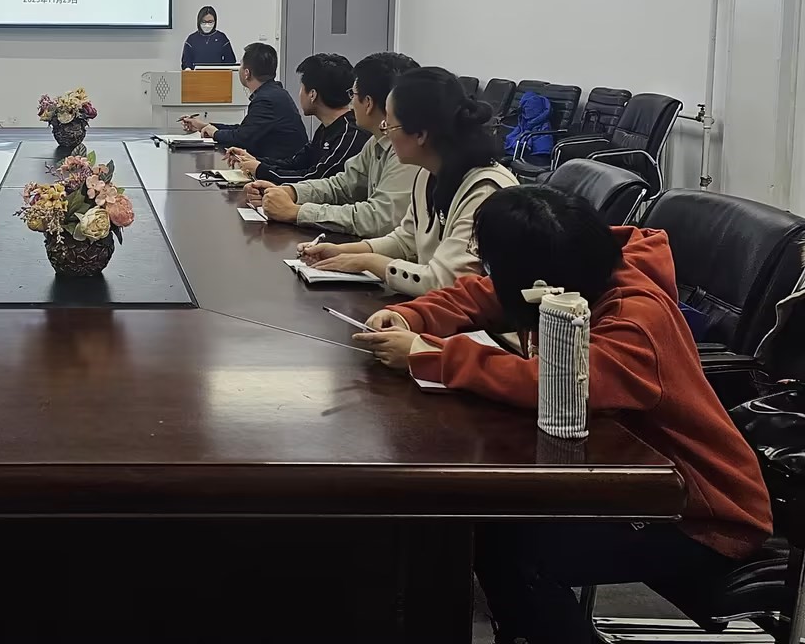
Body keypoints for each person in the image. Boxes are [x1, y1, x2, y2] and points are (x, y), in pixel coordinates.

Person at [352, 186, 773, 644]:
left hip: (701, 515)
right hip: (631, 484)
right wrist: (412, 317)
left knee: (517, 553)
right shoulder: (574, 270)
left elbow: (554, 383)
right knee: (485, 529)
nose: (490, 275)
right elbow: (484, 295)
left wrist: (429, 354)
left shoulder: (637, 319)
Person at [298, 66, 516, 293]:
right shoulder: (427, 174)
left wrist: (368, 262)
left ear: (420, 134)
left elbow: (445, 282)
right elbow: (405, 241)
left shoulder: (485, 191)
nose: (385, 132)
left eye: (390, 125)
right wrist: (343, 251)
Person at [243, 51, 420, 236]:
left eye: (353, 94)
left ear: (368, 103)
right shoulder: (376, 141)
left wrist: (297, 212)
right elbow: (342, 185)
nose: (351, 102)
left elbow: (379, 218)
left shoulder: (407, 151)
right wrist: (291, 192)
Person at [224, 53, 370, 184]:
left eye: (302, 88)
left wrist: (261, 170)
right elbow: (295, 163)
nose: (299, 94)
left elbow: (316, 178)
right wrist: (253, 160)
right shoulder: (326, 128)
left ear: (312, 95)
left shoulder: (349, 134)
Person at [179, 42, 307, 163]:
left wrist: (214, 133)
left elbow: (241, 138)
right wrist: (205, 126)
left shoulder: (266, 99)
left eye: (241, 65)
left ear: (247, 73)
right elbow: (244, 130)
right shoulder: (273, 93)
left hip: (283, 169)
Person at [181, 5, 236, 69]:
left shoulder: (222, 38)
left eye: (210, 22)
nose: (207, 25)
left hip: (217, 74)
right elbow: (185, 63)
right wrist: (188, 69)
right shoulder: (191, 39)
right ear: (199, 21)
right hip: (196, 74)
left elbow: (230, 61)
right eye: (204, 21)